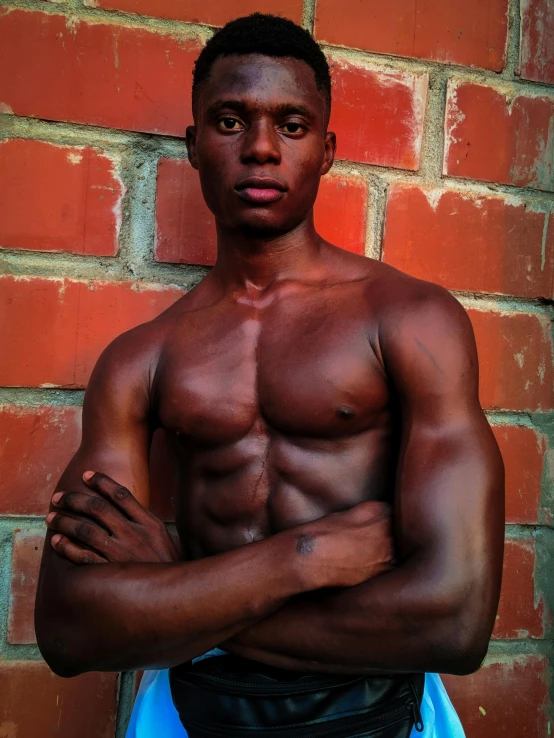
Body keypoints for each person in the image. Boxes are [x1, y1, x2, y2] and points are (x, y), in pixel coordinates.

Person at [35, 13, 504, 738]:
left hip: (377, 714)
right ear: (194, 145)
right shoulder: (141, 360)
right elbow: (70, 629)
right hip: (191, 715)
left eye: (291, 125)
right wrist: (302, 557)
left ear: (326, 150)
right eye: (230, 121)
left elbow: (456, 620)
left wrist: (176, 588)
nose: (259, 148)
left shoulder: (412, 320)